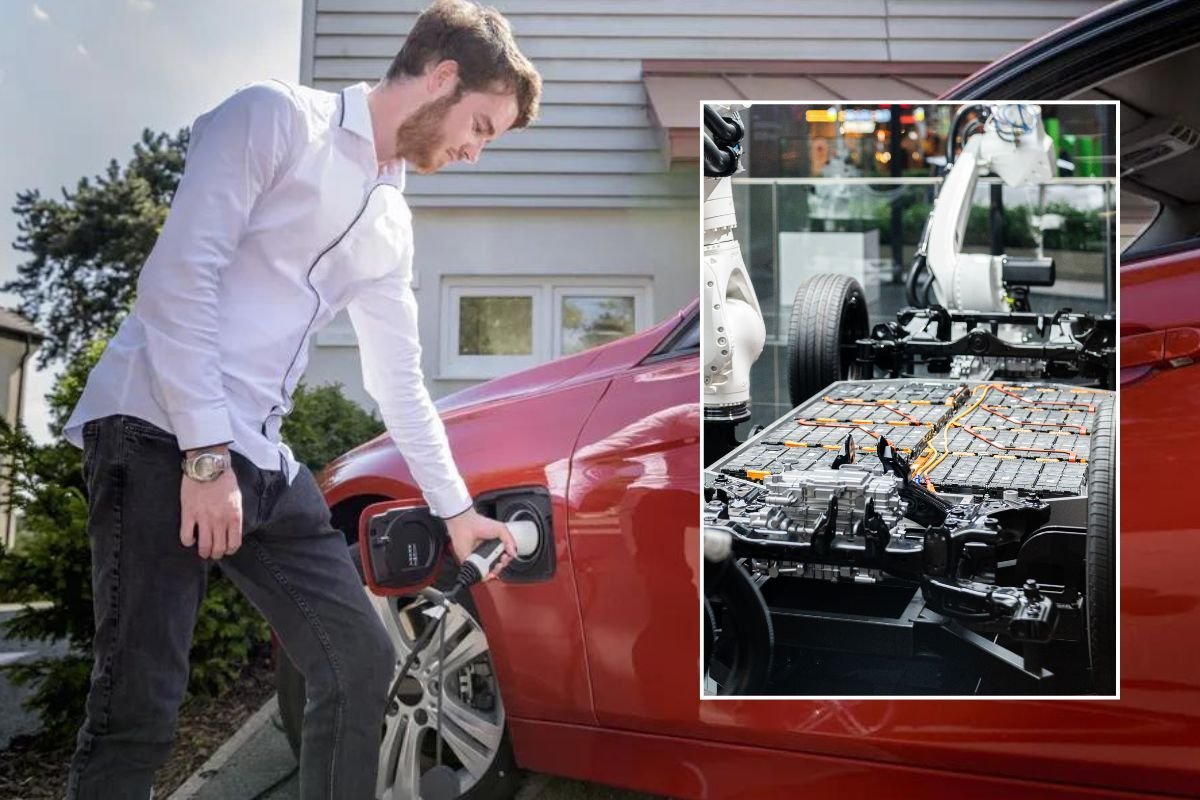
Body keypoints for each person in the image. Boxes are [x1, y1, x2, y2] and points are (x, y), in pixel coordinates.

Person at [61, 2, 541, 798]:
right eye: (482, 126)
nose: (475, 151)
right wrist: (204, 454)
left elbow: (399, 381)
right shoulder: (275, 118)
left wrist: (458, 512)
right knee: (138, 704)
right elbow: (179, 279)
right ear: (444, 77)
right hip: (155, 428)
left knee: (359, 660)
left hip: (255, 456)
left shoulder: (391, 217)